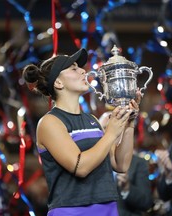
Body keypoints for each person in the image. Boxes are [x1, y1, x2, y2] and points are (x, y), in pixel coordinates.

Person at [22, 48, 141, 216]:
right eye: (73, 68)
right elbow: (80, 167)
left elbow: (120, 164)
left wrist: (129, 123)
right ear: (58, 83)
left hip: (107, 207)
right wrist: (111, 133)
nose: (83, 70)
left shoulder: (92, 120)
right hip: (73, 210)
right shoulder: (49, 122)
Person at [99, 111, 154, 216]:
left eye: (111, 128)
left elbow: (147, 203)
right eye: (103, 129)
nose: (107, 134)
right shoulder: (92, 161)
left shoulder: (138, 163)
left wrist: (127, 188)